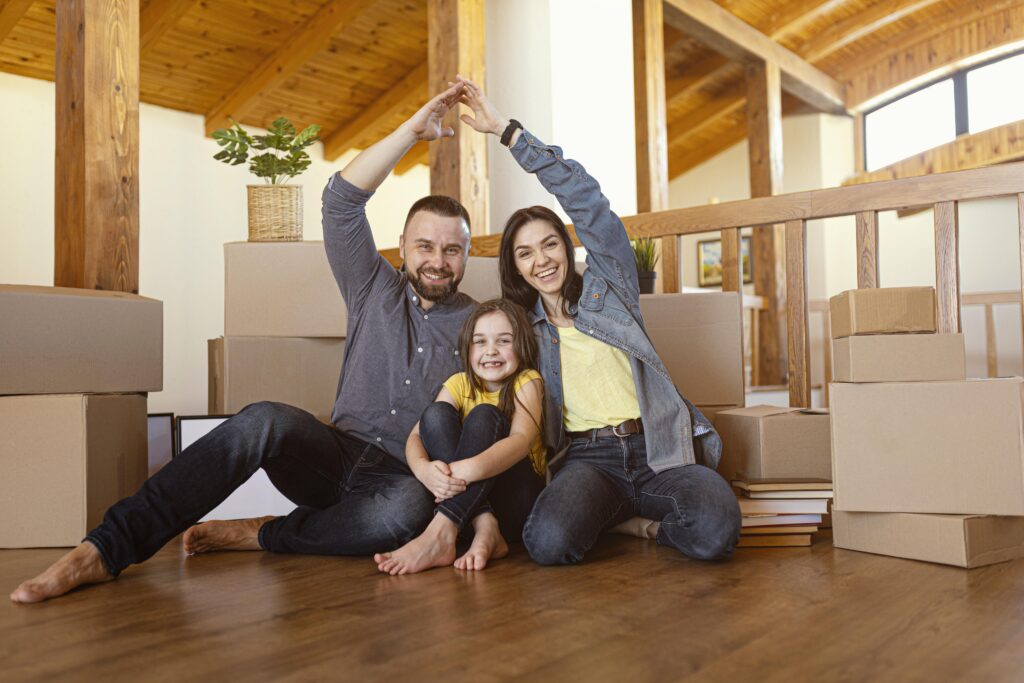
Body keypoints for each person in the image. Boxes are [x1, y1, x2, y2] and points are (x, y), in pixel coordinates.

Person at [10, 82, 480, 604]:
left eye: (452, 250)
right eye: (425, 245)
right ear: (404, 247)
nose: (438, 260)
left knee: (405, 514)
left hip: (402, 479)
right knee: (262, 419)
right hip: (330, 456)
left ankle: (264, 533)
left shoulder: (480, 325)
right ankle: (103, 549)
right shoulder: (373, 286)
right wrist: (410, 133)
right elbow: (340, 201)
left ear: (466, 255)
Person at [455, 76, 742, 565]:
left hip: (658, 449)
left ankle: (636, 525)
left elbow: (587, 201)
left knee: (717, 529)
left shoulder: (610, 290)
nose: (541, 260)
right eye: (525, 253)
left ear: (567, 248)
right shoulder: (522, 330)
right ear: (516, 267)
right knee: (547, 543)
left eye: (550, 244)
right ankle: (624, 519)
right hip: (589, 461)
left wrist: (508, 132)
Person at [374, 299, 546, 575]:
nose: (491, 351)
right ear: (467, 348)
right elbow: (416, 436)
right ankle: (485, 526)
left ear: (522, 345)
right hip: (469, 505)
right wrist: (423, 469)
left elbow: (521, 440)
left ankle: (441, 532)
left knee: (484, 415)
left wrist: (469, 469)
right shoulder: (459, 383)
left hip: (516, 502)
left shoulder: (527, 381)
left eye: (504, 341)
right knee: (435, 414)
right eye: (480, 342)